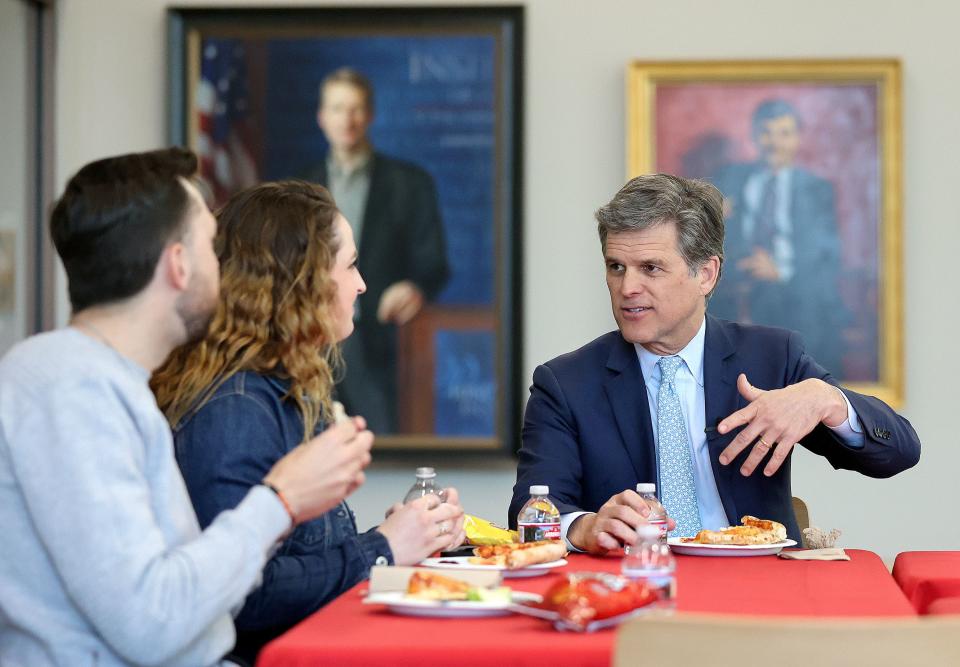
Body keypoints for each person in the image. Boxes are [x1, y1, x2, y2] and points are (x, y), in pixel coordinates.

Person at [0, 149, 374, 666]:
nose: (227, 267)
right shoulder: (70, 388)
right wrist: (282, 500)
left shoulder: (112, 384)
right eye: (210, 245)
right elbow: (152, 621)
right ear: (178, 264)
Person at [509, 173, 920, 555]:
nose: (627, 288)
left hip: (756, 598)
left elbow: (899, 452)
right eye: (616, 267)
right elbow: (529, 512)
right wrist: (584, 527)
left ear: (706, 274)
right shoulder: (565, 383)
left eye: (650, 268)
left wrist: (826, 399)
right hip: (633, 590)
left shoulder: (771, 358)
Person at [151, 180, 465, 662]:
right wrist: (381, 548)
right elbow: (240, 597)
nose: (362, 284)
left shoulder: (286, 391)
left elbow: (305, 561)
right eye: (351, 265)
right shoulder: (235, 406)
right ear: (304, 282)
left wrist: (410, 536)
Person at [303, 67, 450, 433]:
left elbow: (434, 263)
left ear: (369, 115)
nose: (346, 119)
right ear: (322, 117)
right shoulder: (300, 186)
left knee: (382, 438)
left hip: (381, 345)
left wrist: (415, 286)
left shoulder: (409, 183)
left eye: (355, 109)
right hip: (311, 344)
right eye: (337, 108)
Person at [708, 98, 848, 374]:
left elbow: (826, 256)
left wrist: (779, 272)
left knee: (807, 316)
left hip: (797, 290)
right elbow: (704, 236)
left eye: (784, 133)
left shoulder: (817, 189)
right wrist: (714, 216)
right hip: (738, 285)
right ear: (753, 136)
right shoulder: (729, 179)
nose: (775, 143)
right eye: (766, 133)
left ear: (797, 138)